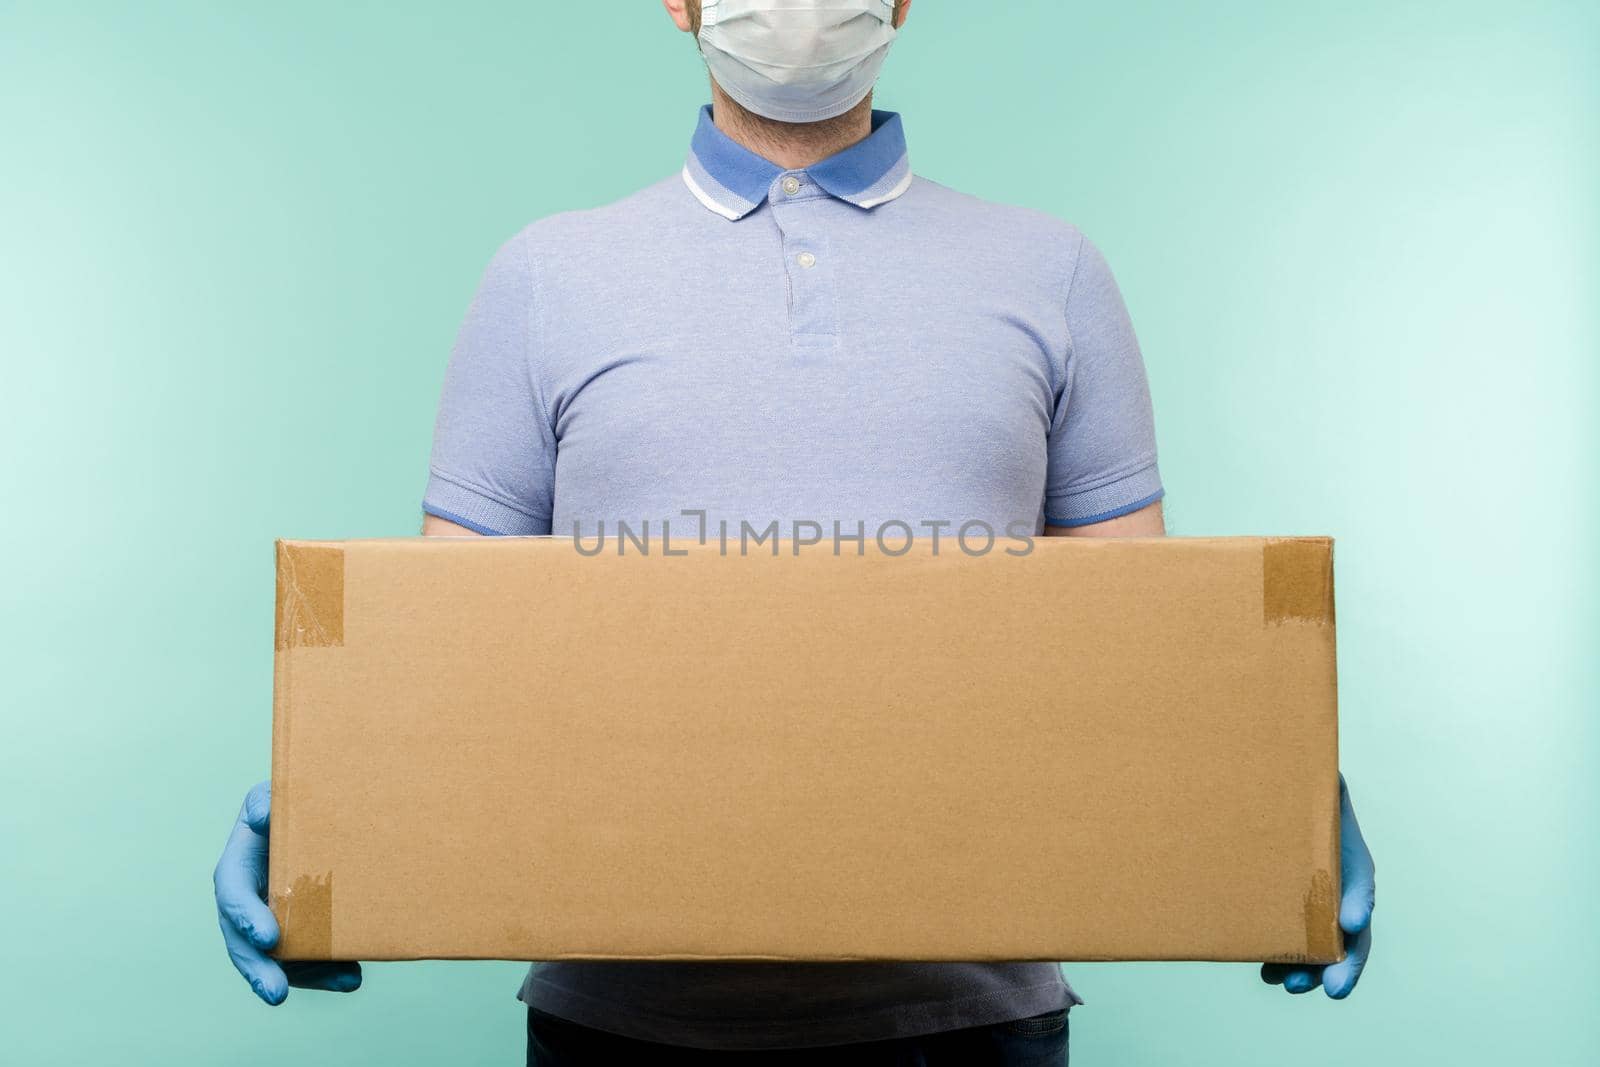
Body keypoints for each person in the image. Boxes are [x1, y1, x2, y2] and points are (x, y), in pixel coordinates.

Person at [213, 1, 1377, 1062]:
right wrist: (334, 834)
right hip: (620, 1024)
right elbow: (444, 652)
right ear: (678, 2)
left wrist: (1268, 813)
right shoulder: (544, 275)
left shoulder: (1053, 269)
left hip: (973, 1024)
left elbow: (1140, 648)